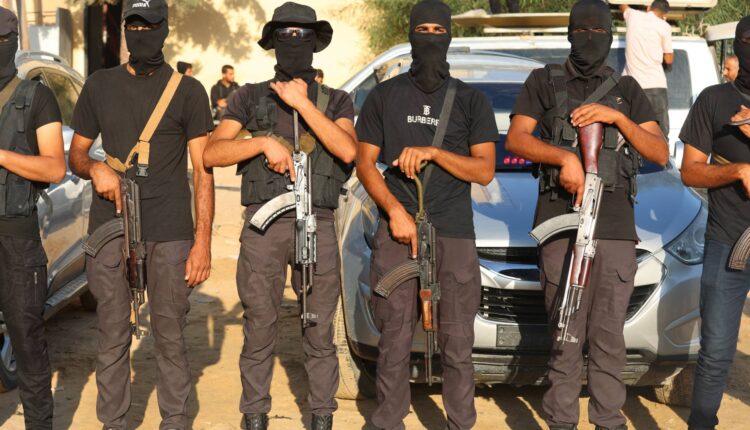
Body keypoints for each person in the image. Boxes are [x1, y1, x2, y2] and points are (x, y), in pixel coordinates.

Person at [506, 1, 668, 429]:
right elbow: (517, 139)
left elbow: (659, 151)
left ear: (611, 36)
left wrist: (618, 118)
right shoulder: (544, 81)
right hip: (560, 226)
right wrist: (564, 158)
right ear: (569, 33)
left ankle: (607, 421)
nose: (590, 37)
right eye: (582, 29)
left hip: (614, 228)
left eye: (599, 30)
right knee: (565, 336)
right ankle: (562, 421)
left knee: (609, 340)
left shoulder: (627, 89)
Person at [202, 3, 356, 430]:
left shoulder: (335, 100)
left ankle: (322, 416)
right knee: (259, 326)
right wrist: (261, 143)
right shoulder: (250, 96)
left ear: (315, 43)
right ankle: (254, 416)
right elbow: (212, 153)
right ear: (272, 42)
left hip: (318, 223)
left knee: (319, 329)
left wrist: (303, 104)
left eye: (301, 35)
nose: (293, 42)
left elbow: (348, 150)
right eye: (285, 34)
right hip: (264, 226)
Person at [68, 0, 215, 429]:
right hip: (111, 226)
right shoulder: (99, 85)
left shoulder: (189, 91)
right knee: (112, 334)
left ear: (165, 29)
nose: (141, 33)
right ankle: (113, 423)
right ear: (124, 29)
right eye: (133, 25)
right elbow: (76, 154)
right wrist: (95, 168)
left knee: (169, 335)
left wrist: (203, 242)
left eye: (150, 26)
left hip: (170, 230)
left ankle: (175, 421)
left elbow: (203, 170)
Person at [356, 1, 497, 428]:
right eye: (424, 30)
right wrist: (395, 212)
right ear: (411, 34)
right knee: (394, 338)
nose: (431, 37)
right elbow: (365, 164)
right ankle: (388, 421)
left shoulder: (471, 100)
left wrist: (434, 153)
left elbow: (484, 170)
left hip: (453, 232)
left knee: (457, 341)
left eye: (439, 30)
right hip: (397, 231)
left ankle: (460, 423)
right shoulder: (385, 96)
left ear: (449, 36)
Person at [679, 16, 750, 430]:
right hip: (728, 242)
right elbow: (690, 171)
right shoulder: (714, 100)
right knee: (717, 350)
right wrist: (737, 170)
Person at [0, 7, 66, 430]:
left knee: (26, 341)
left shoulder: (36, 97)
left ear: (12, 42)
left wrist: (2, 156)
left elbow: (55, 168)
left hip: (16, 236)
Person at [619, 1, 674, 138]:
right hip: (656, 85)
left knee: (633, 132)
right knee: (660, 133)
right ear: (664, 14)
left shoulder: (633, 16)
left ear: (649, 7)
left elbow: (622, 5)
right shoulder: (664, 26)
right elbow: (669, 59)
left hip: (632, 86)